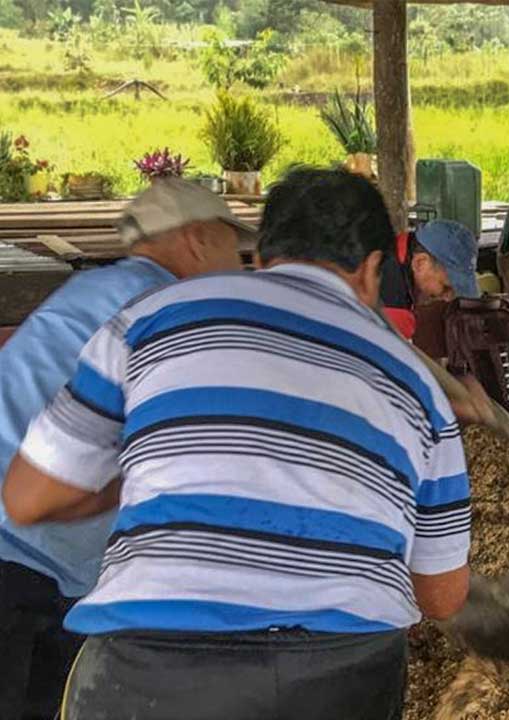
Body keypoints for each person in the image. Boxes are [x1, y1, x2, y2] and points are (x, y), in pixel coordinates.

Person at [2, 169, 471, 719]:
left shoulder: (151, 318)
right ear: (371, 270)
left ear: (266, 255)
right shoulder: (417, 387)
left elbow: (29, 498)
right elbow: (442, 599)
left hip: (150, 671)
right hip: (337, 677)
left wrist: (148, 477)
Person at [0, 179, 249, 720]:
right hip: (19, 553)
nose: (240, 263)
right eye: (235, 247)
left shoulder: (100, 291)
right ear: (198, 239)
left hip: (42, 557)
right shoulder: (164, 311)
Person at [381, 220, 480, 339]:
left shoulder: (388, 247)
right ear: (420, 263)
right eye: (445, 287)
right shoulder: (393, 312)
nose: (448, 298)